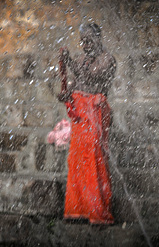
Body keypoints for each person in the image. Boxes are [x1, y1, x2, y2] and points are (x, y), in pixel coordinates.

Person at [58, 23, 116, 224]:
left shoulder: (107, 59)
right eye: (83, 40)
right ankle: (78, 209)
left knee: (94, 157)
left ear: (99, 38)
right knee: (77, 158)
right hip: (81, 115)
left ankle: (97, 210)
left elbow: (92, 76)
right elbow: (77, 82)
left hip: (96, 112)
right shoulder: (82, 59)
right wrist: (66, 93)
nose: (85, 44)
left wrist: (70, 63)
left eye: (89, 39)